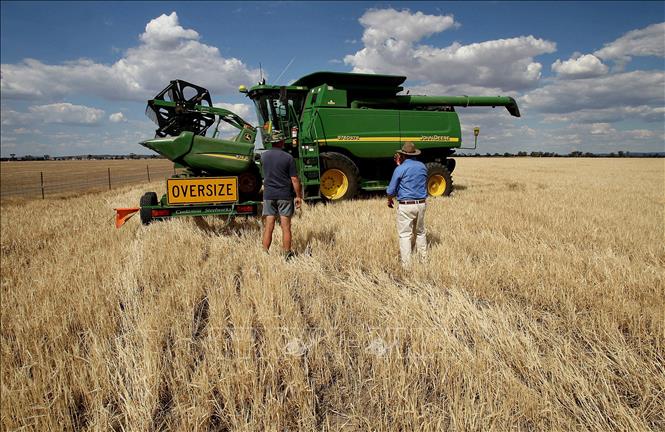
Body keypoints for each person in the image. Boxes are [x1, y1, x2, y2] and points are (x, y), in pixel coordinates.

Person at [260, 131, 303, 259]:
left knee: (269, 226)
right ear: (281, 142)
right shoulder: (288, 158)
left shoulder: (264, 156)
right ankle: (286, 254)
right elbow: (294, 179)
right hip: (284, 195)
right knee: (286, 227)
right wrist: (298, 196)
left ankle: (264, 253)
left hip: (268, 195)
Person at [386, 142, 428, 266]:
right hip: (421, 204)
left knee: (405, 235)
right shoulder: (422, 166)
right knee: (420, 232)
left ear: (403, 155)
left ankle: (407, 266)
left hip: (406, 205)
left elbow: (391, 190)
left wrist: (389, 199)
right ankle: (423, 261)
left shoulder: (400, 168)